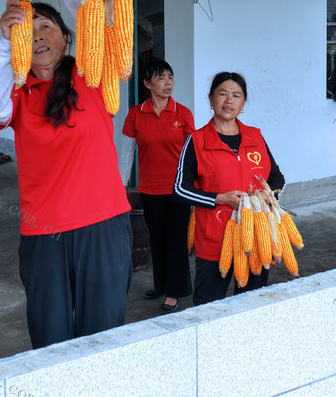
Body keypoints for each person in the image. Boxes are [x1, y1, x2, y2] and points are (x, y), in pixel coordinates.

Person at [0, 0, 132, 348]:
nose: (39, 35)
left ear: (66, 39)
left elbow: (91, 15)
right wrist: (5, 43)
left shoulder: (91, 77)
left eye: (48, 27)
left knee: (102, 340)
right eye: (30, 28)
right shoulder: (18, 95)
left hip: (102, 224)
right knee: (51, 341)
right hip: (43, 234)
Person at [174, 72, 284, 305]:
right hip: (215, 241)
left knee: (250, 306)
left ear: (243, 103)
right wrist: (219, 199)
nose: (229, 101)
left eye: (236, 95)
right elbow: (180, 190)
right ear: (211, 99)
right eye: (222, 94)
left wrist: (269, 195)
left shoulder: (255, 136)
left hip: (256, 237)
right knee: (208, 307)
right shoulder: (196, 140)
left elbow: (276, 176)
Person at [119, 58, 195, 313]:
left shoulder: (183, 114)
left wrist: (195, 187)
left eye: (170, 77)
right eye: (161, 77)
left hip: (178, 191)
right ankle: (161, 284)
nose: (168, 82)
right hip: (149, 189)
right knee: (157, 240)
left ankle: (174, 292)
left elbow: (192, 154)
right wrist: (121, 185)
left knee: (175, 242)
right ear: (147, 83)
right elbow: (127, 152)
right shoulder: (135, 114)